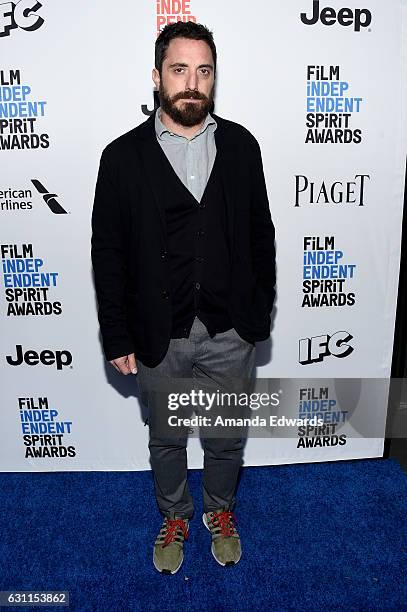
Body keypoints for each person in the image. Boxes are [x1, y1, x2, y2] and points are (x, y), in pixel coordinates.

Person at [91, 21, 276, 575]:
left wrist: (255, 316)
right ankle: (174, 512)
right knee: (167, 437)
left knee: (226, 437)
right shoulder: (121, 157)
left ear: (214, 79)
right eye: (179, 70)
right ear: (157, 77)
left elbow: (260, 235)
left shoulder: (242, 146)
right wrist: (117, 333)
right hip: (157, 330)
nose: (191, 83)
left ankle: (220, 510)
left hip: (229, 331)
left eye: (203, 71)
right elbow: (109, 252)